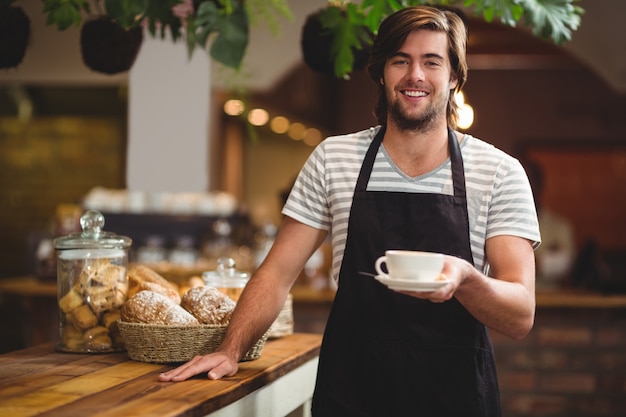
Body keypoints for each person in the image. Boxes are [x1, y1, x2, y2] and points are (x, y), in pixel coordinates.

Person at [159, 6, 540, 416]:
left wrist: (466, 279)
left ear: (454, 77)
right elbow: (276, 273)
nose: (415, 75)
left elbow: (520, 314)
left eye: (432, 62)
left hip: (456, 396)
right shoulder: (333, 159)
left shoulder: (499, 172)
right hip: (354, 392)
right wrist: (229, 350)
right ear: (381, 73)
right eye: (401, 61)